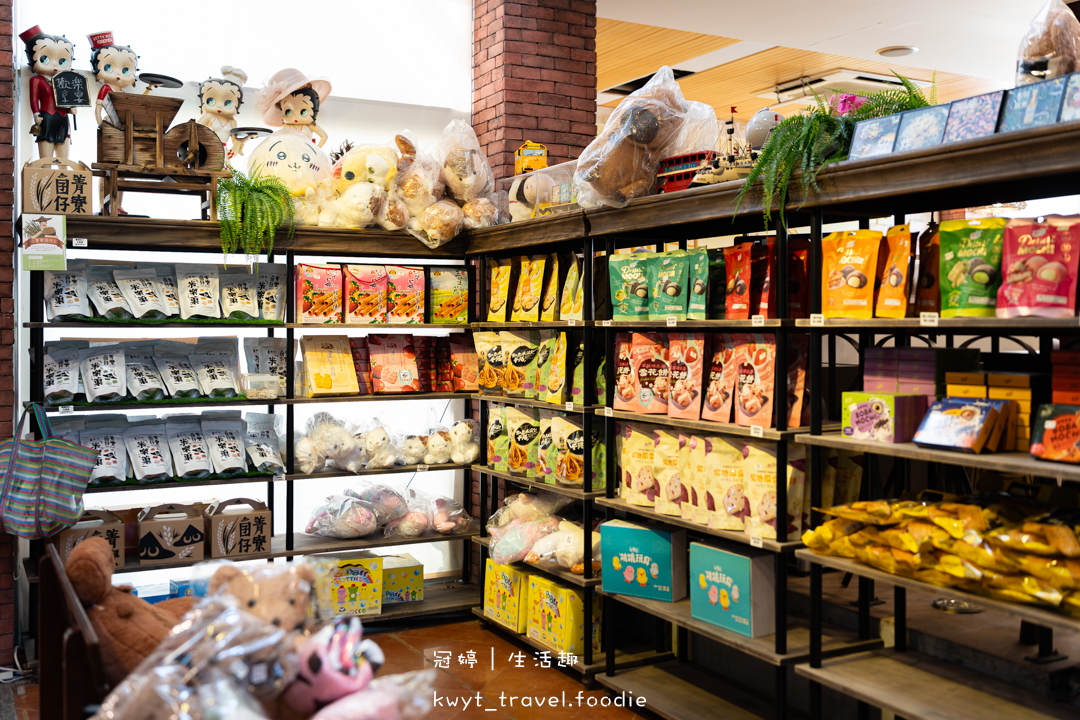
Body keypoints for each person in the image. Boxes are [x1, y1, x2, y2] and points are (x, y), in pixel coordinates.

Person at [20, 26, 76, 159]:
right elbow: (34, 99)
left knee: (64, 159)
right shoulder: (36, 80)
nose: (55, 65)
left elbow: (68, 99)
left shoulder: (65, 81)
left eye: (62, 61)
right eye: (44, 59)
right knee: (46, 160)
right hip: (46, 118)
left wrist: (71, 108)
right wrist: (36, 113)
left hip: (63, 118)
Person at [256, 68, 331, 148]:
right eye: (288, 112)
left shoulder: (311, 125)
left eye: (303, 112)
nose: (295, 116)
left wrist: (316, 149)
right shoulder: (286, 126)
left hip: (306, 153)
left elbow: (324, 136)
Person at [197, 66, 249, 158]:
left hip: (223, 151)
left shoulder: (232, 122)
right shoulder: (209, 117)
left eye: (228, 103)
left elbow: (236, 142)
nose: (219, 106)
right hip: (208, 150)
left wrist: (248, 137)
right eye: (210, 101)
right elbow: (193, 131)